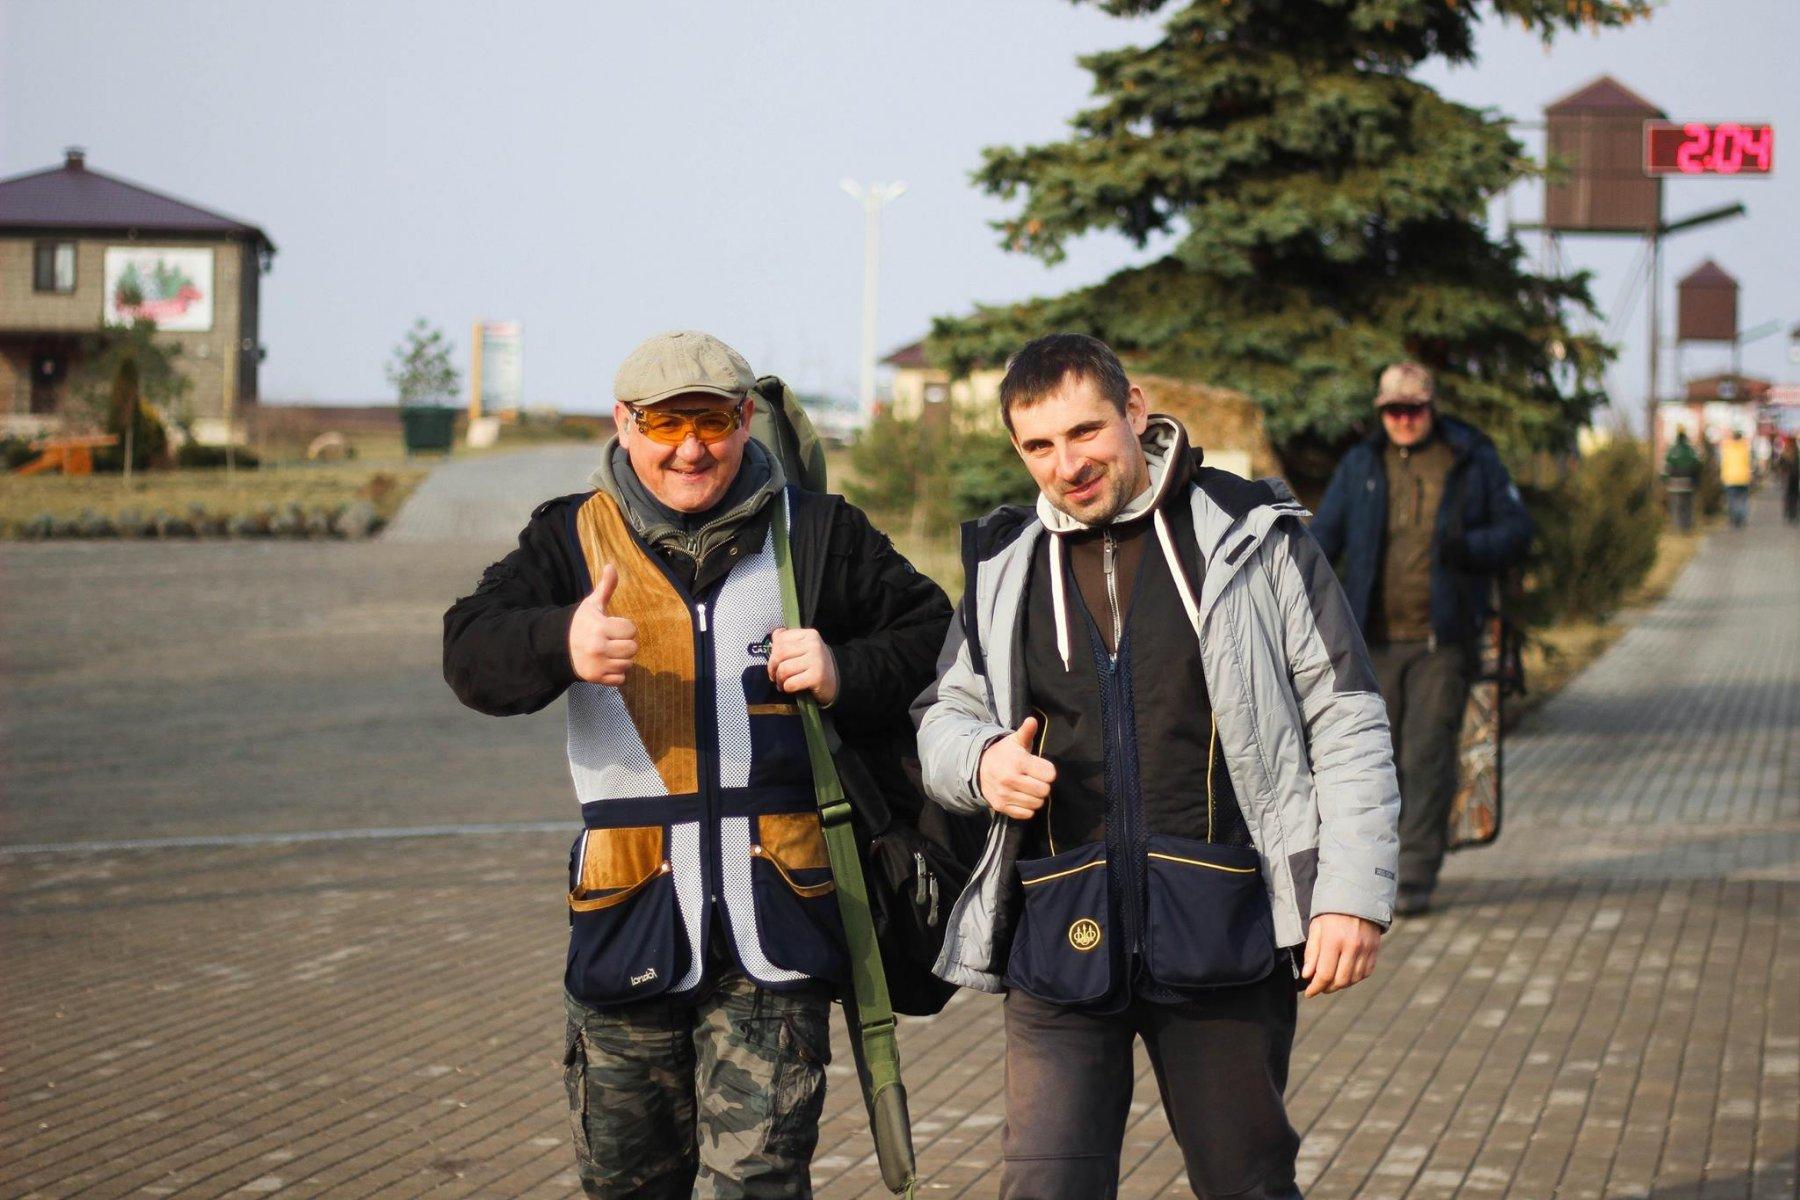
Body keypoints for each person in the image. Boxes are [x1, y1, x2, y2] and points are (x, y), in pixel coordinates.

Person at [443, 330, 951, 1200]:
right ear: (624, 422)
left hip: (778, 930)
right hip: (627, 920)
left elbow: (931, 632)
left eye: (712, 422)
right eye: (665, 426)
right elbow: (468, 651)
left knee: (756, 1184)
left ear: (745, 419)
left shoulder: (819, 533)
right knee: (627, 1186)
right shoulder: (568, 537)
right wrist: (558, 639)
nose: (690, 449)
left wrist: (842, 669)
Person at [913, 333, 1399, 1200]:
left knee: (1247, 1184)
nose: (1068, 464)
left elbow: (1347, 716)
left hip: (1222, 932)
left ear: (1135, 410)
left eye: (1086, 431)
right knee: (1043, 1188)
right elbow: (943, 717)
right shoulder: (1003, 564)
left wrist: (1350, 893)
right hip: (1058, 934)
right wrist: (982, 763)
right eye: (1039, 446)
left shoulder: (1253, 536)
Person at [1310, 362, 1531, 918]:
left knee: (1426, 756)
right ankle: (1372, 876)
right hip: (1371, 641)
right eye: (1392, 410)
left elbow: (1515, 529)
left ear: (1432, 407)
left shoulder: (1470, 459)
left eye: (1413, 409)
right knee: (1372, 761)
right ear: (1381, 411)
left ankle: (1414, 876)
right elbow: (1320, 540)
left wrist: (1468, 547)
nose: (1403, 420)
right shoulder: (1361, 463)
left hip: (1442, 639)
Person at [1663, 428, 1702, 533]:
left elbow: (1666, 467)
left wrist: (1664, 480)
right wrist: (1697, 481)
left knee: (1676, 505)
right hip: (1688, 482)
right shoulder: (1691, 450)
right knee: (1687, 505)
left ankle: (1677, 527)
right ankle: (1687, 526)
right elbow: (1697, 465)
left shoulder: (1672, 450)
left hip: (1674, 483)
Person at [1720, 429, 1754, 528]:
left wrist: (1723, 476)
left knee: (1732, 500)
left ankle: (1734, 519)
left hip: (1730, 478)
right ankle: (1742, 518)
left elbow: (1724, 463)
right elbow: (1749, 463)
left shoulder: (1727, 448)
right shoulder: (1745, 448)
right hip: (1743, 478)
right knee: (1743, 500)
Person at [1778, 436, 1800, 526]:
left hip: (1788, 478)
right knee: (1795, 497)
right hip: (1795, 478)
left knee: (1789, 496)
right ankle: (1793, 513)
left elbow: (1780, 465)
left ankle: (1789, 512)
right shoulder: (1797, 453)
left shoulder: (1785, 453)